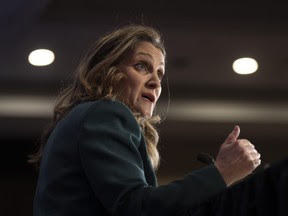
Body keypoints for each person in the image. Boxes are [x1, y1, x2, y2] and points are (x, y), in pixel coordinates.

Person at [30, 24, 261, 215]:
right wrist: (222, 172)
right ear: (106, 72)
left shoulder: (80, 118)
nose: (156, 82)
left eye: (159, 73)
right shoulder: (106, 113)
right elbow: (135, 207)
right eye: (142, 66)